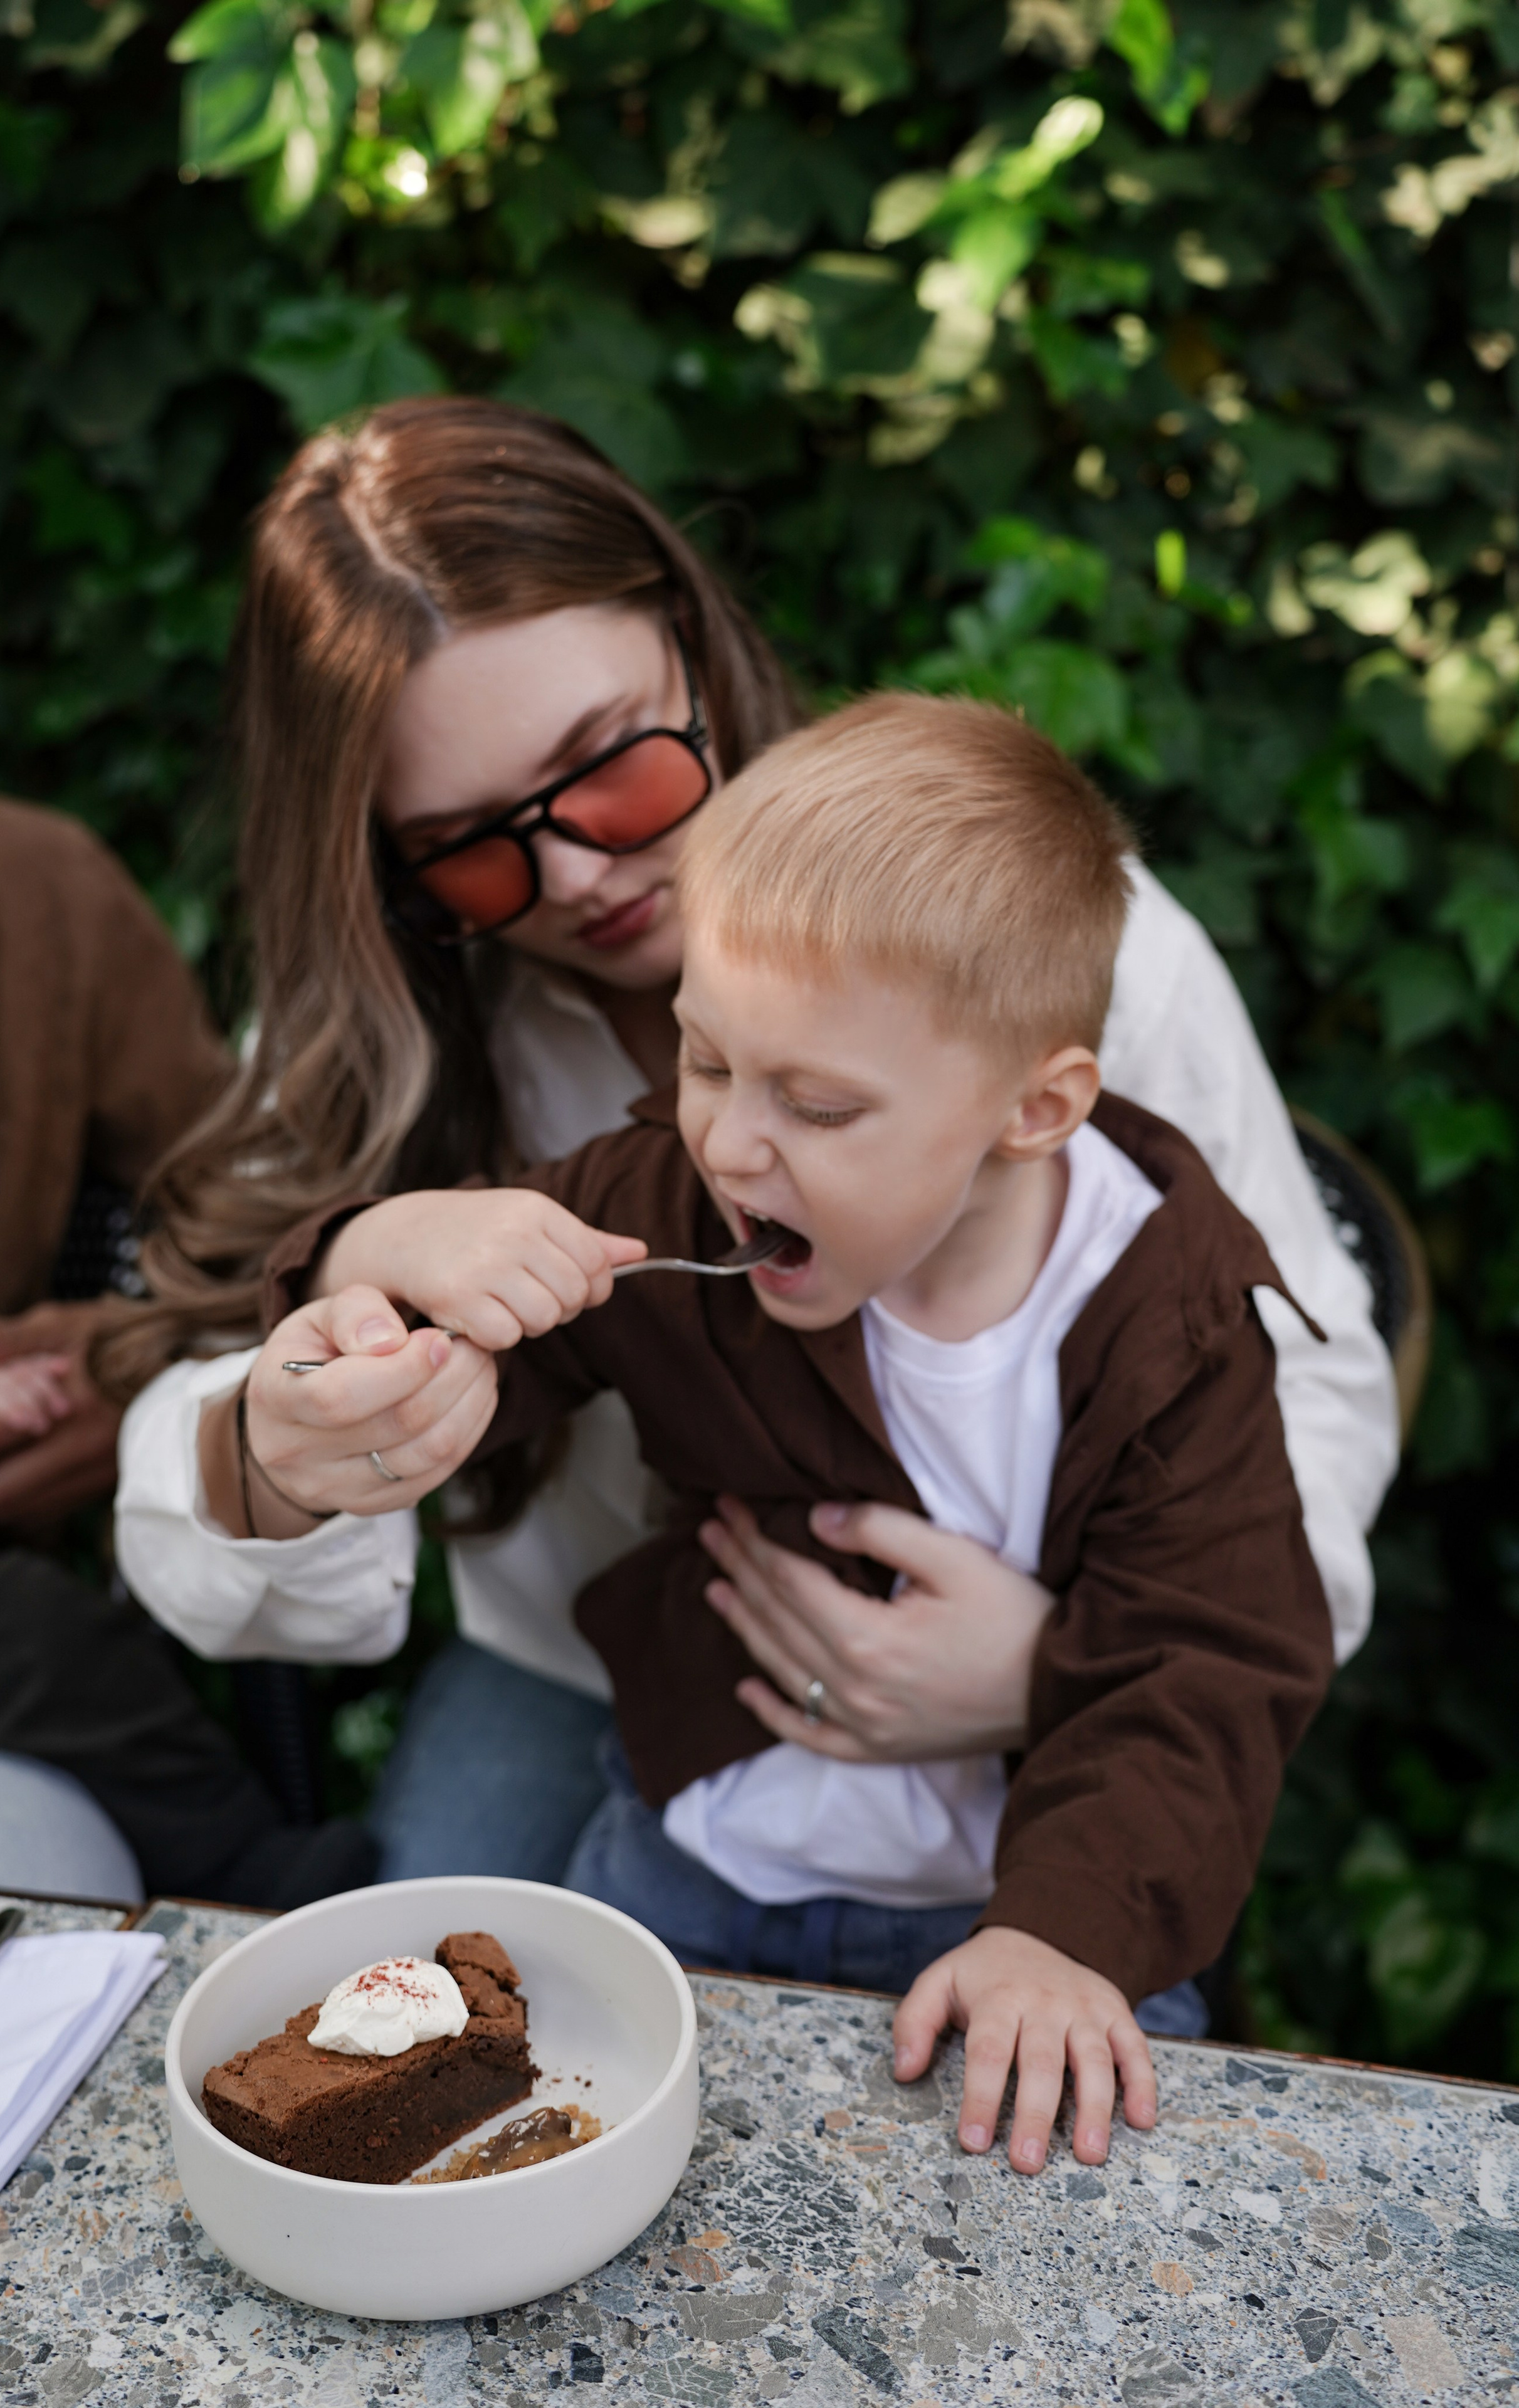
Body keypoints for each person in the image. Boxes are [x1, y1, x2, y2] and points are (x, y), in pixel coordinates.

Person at [110, 396, 1395, 1895]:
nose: (584, 872)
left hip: (1062, 1685)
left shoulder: (1041, 943)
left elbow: (1303, 1388)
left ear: (691, 635)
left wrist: (1057, 1664)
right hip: (607, 1680)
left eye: (611, 764)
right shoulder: (375, 1029)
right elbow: (201, 1429)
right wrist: (290, 1417)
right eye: (469, 843)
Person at [195, 694, 1335, 2171]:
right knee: (571, 2180)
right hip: (695, 1857)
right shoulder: (679, 1203)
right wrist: (378, 1280)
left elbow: (1208, 1664)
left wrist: (1063, 1936)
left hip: (1028, 1898)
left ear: (1033, 1108)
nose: (732, 1142)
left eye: (814, 1103)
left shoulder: (1163, 1319)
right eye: (706, 1060)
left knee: (1071, 2222)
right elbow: (457, 1348)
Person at [0, 781, 376, 1905]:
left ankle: (272, 1902)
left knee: (36, 1647)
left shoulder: (29, 887)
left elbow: (244, 1207)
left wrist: (125, 1371)